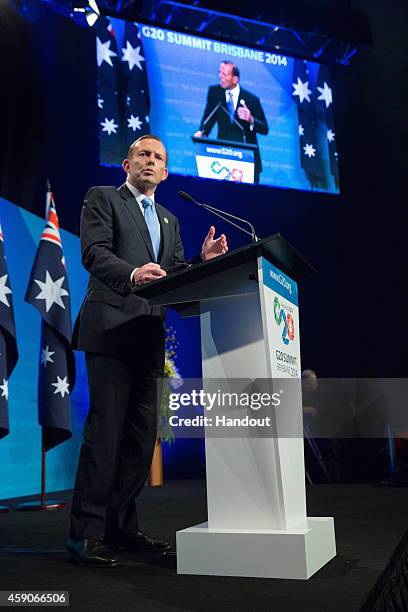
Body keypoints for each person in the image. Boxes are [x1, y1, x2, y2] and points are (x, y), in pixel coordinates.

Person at [67, 134, 228, 567]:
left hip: (149, 337)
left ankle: (121, 529)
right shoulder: (103, 198)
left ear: (166, 171)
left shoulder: (169, 219)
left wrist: (201, 262)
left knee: (140, 441)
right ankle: (85, 534)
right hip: (112, 329)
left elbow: (172, 278)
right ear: (126, 163)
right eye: (143, 154)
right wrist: (133, 272)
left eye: (158, 157)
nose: (150, 161)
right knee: (106, 435)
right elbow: (94, 253)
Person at [194, 61, 269, 184]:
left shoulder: (252, 100)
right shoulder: (215, 93)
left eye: (225, 74)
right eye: (220, 72)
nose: (220, 76)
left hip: (247, 159)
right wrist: (202, 132)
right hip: (223, 157)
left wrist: (250, 119)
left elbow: (265, 129)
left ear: (235, 79)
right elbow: (209, 118)